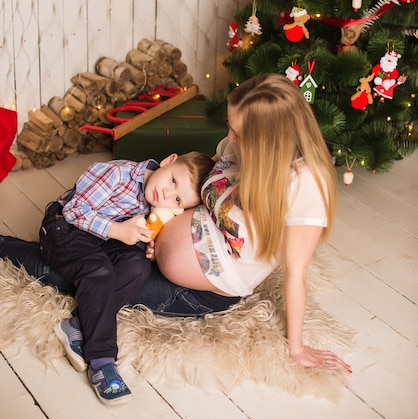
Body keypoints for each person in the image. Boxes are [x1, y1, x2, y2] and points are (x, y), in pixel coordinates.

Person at [0, 74, 352, 389]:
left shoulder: (305, 185)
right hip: (151, 239)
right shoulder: (234, 147)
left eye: (239, 133)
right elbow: (199, 193)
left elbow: (295, 274)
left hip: (199, 290)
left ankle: (9, 249)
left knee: (91, 280)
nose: (229, 138)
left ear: (268, 141)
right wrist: (160, 230)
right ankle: (61, 230)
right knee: (90, 256)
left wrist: (297, 347)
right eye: (230, 126)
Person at [4, 150, 214, 406]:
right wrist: (120, 230)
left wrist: (146, 244)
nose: (167, 194)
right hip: (64, 227)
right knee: (98, 271)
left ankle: (77, 325)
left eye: (177, 198)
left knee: (137, 266)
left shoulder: (157, 204)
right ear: (168, 161)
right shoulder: (117, 174)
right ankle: (102, 360)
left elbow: (133, 234)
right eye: (172, 181)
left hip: (102, 239)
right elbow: (75, 211)